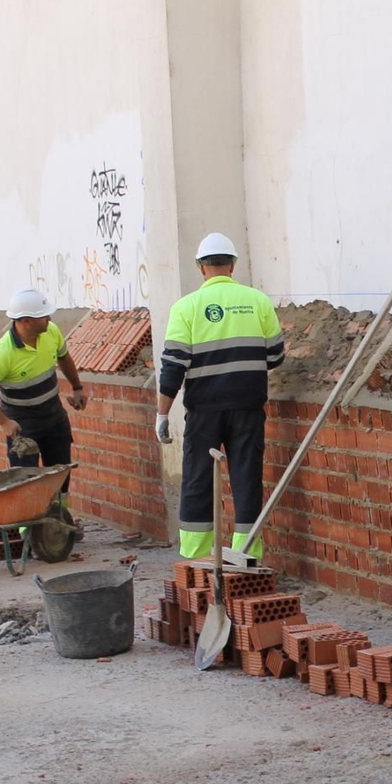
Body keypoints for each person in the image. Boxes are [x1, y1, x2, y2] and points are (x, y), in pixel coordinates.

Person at [156, 233, 285, 559]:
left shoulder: (186, 307)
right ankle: (247, 558)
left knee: (198, 481)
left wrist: (162, 414)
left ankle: (198, 559)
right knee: (247, 481)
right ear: (233, 265)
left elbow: (173, 367)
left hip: (204, 411)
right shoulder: (258, 301)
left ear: (201, 267)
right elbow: (275, 356)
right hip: (248, 407)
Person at [0, 287, 87, 494]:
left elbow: (63, 357)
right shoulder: (2, 353)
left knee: (61, 473)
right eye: (43, 316)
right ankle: (28, 526)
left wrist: (77, 388)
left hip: (54, 418)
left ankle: (60, 520)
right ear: (26, 321)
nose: (49, 318)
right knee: (26, 481)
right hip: (23, 426)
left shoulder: (51, 331)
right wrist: (4, 423)